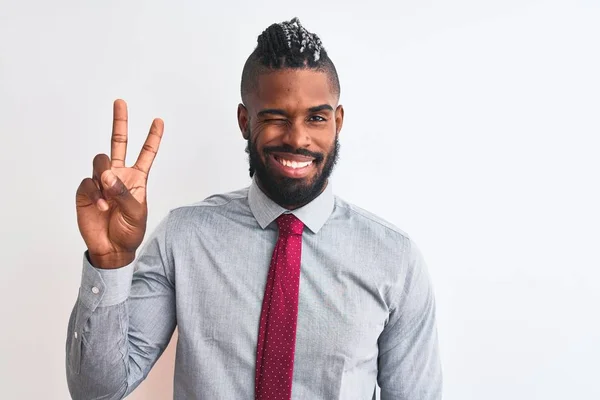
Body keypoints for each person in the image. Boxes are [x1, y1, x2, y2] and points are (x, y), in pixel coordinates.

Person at [66, 18, 442, 400]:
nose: (297, 138)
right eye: (275, 117)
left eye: (316, 117)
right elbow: (98, 392)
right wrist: (110, 260)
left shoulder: (395, 260)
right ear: (245, 121)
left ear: (337, 122)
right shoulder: (184, 237)